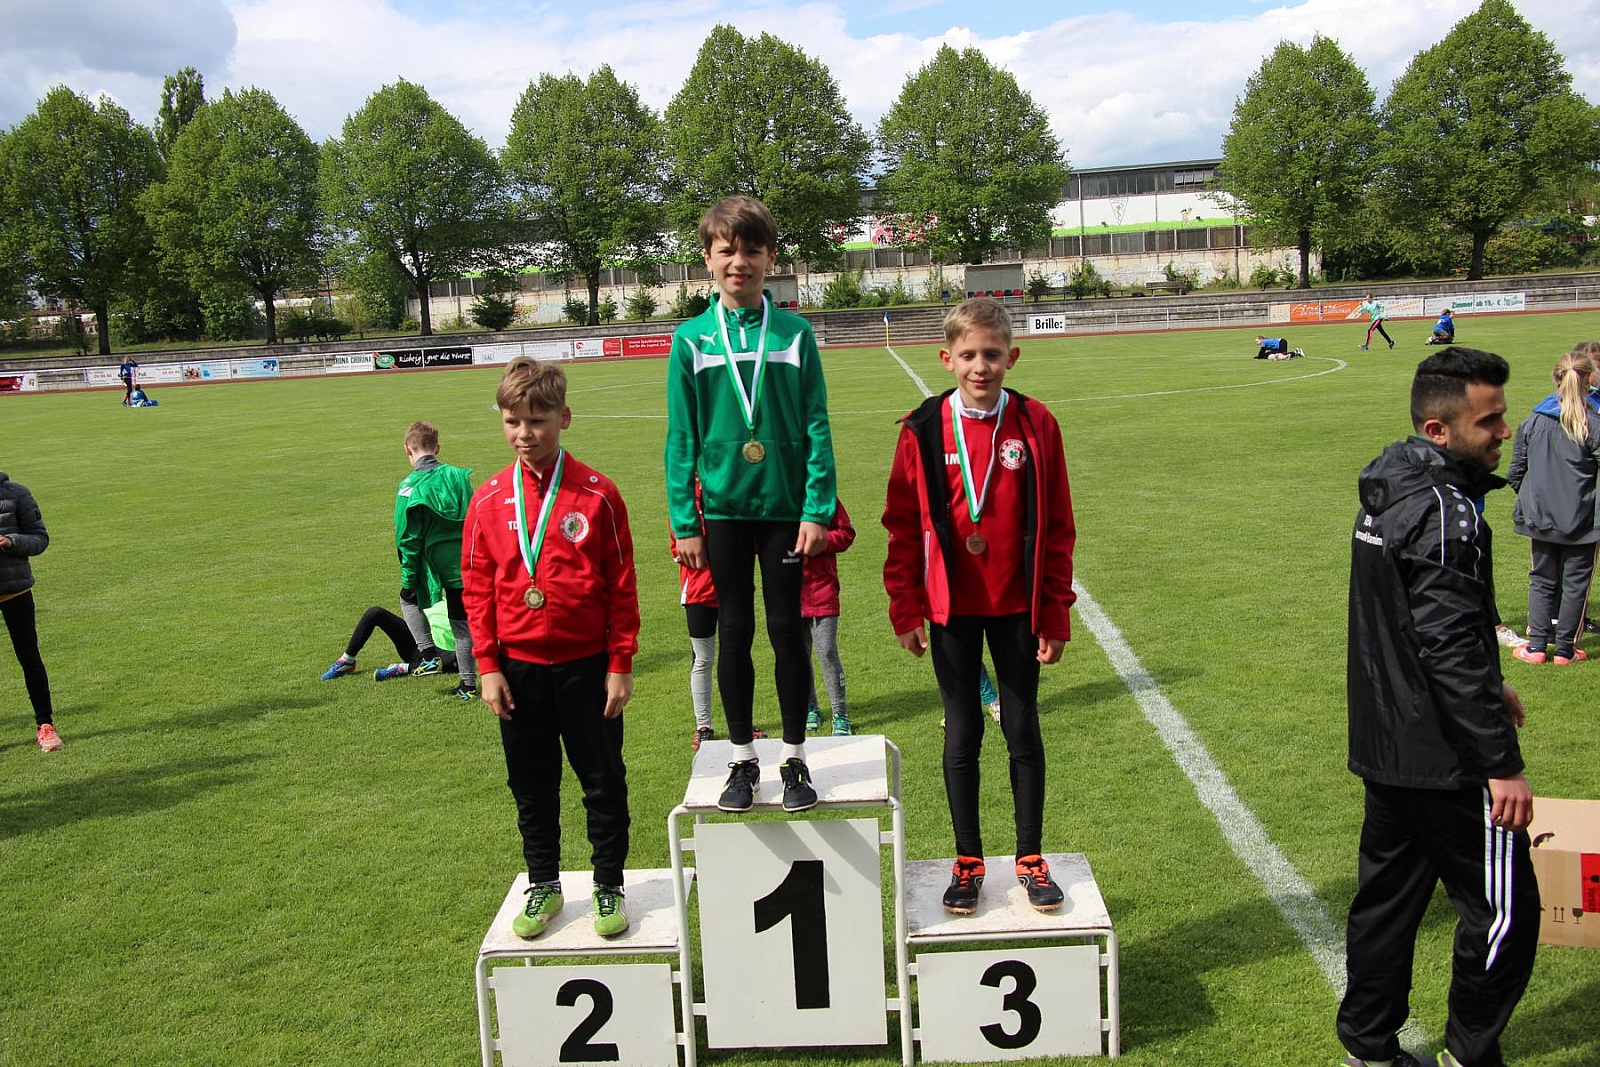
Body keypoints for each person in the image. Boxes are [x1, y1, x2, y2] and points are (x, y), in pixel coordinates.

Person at [1339, 346, 1538, 1067]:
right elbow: (1446, 644)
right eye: (1490, 421)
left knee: (1388, 903)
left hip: (1387, 740)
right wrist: (1501, 763)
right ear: (1438, 429)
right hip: (1445, 754)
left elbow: (1421, 620)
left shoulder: (1391, 485)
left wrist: (1490, 676)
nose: (1505, 431)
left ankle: (1369, 1048)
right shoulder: (1446, 510)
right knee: (1505, 911)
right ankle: (1468, 1055)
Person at [883, 297, 1077, 915]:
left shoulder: (1036, 423)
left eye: (992, 354)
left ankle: (1029, 856)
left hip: (1018, 607)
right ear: (947, 359)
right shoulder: (922, 429)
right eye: (968, 355)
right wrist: (905, 606)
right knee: (962, 730)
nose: (980, 366)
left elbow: (1059, 527)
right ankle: (967, 860)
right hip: (951, 610)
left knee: (1021, 727)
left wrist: (1055, 613)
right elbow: (902, 526)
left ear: (1011, 357)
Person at [664, 195, 837, 815]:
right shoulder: (690, 340)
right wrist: (685, 521)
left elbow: (816, 424)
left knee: (788, 630)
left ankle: (793, 757)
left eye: (752, 251)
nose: (739, 262)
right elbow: (681, 438)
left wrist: (816, 509)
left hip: (786, 510)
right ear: (708, 260)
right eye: (727, 251)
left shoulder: (795, 334)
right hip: (724, 514)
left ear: (771, 258)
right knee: (734, 632)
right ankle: (741, 759)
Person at [463, 356, 639, 940]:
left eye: (537, 421)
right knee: (532, 785)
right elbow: (477, 588)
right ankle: (543, 882)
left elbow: (620, 585)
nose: (524, 433)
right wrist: (487, 666)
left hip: (588, 667)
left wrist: (620, 662)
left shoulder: (598, 494)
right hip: (518, 669)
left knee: (602, 780)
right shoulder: (488, 499)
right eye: (512, 421)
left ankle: (609, 884)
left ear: (564, 417)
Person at [1506, 346, 1600, 665]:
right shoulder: (1592, 423)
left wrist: (1534, 501)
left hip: (1541, 517)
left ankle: (1536, 647)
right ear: (1588, 380)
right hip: (1582, 520)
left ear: (1555, 378)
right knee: (1575, 584)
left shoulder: (1533, 421)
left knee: (1542, 580)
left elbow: (1516, 472)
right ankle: (1564, 650)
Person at [395, 421, 477, 699]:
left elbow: (407, 537)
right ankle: (468, 685)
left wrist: (409, 577)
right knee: (461, 623)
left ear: (407, 450)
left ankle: (428, 652)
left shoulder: (409, 486)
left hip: (430, 562)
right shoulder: (458, 476)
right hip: (463, 561)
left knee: (407, 599)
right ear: (437, 448)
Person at [1, 472, 60, 752]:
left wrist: (11, 541)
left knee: (29, 656)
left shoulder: (17, 494)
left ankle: (45, 725)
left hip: (15, 590)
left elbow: (40, 538)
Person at [802, 498, 856, 736]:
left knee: (827, 651)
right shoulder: (778, 494)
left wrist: (818, 541)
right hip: (788, 592)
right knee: (799, 655)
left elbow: (846, 533)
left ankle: (840, 713)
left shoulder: (824, 497)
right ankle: (810, 708)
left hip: (822, 589)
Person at [319, 597, 457, 681]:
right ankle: (346, 661)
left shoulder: (453, 598)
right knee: (375, 612)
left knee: (459, 659)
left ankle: (405, 668)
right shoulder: (416, 596)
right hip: (419, 645)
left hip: (443, 653)